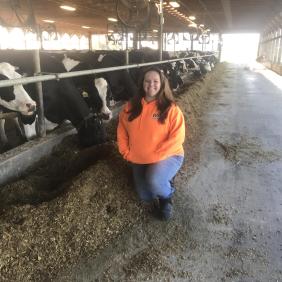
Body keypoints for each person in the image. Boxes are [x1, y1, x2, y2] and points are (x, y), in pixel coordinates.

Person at [117, 66, 185, 220]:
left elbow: (177, 138)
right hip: (138, 158)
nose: (151, 84)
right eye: (147, 81)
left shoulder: (170, 109)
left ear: (162, 84)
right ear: (142, 83)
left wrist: (155, 156)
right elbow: (121, 131)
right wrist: (125, 152)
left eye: (155, 81)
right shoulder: (130, 107)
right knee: (145, 195)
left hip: (168, 156)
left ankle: (167, 196)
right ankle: (159, 181)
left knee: (154, 181)